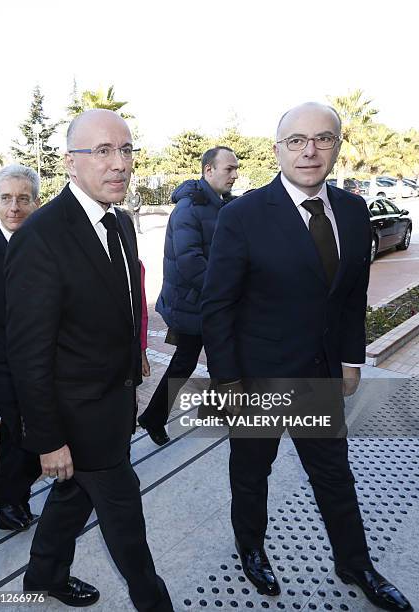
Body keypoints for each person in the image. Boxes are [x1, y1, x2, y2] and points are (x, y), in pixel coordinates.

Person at [202, 103, 411, 611]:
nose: (309, 150)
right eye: (296, 140)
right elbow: (217, 306)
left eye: (322, 139)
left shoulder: (353, 210)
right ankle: (251, 549)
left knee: (334, 475)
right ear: (277, 150)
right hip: (259, 379)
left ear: (337, 146)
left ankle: (355, 563)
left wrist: (350, 358)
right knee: (252, 474)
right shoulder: (243, 215)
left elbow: (350, 293)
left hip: (319, 376)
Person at [5, 109, 173, 611]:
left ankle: (43, 578)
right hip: (77, 420)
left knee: (71, 498)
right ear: (69, 163)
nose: (119, 163)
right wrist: (50, 440)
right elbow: (27, 354)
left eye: (126, 150)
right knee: (130, 534)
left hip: (114, 403)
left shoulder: (120, 221)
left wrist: (134, 356)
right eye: (102, 151)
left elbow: (121, 302)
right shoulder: (41, 238)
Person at [138, 146, 239, 445]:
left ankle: (215, 411)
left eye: (235, 169)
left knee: (222, 358)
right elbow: (190, 261)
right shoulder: (189, 208)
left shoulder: (220, 205)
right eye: (228, 169)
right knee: (184, 363)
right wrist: (224, 291)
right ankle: (153, 418)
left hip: (209, 301)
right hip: (193, 305)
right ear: (208, 170)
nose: (234, 174)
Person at [0, 165, 42, 531]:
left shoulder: (50, 248)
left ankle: (8, 492)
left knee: (21, 430)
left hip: (40, 361)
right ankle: (7, 499)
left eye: (22, 198)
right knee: (27, 427)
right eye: (6, 198)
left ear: (35, 202)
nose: (13, 207)